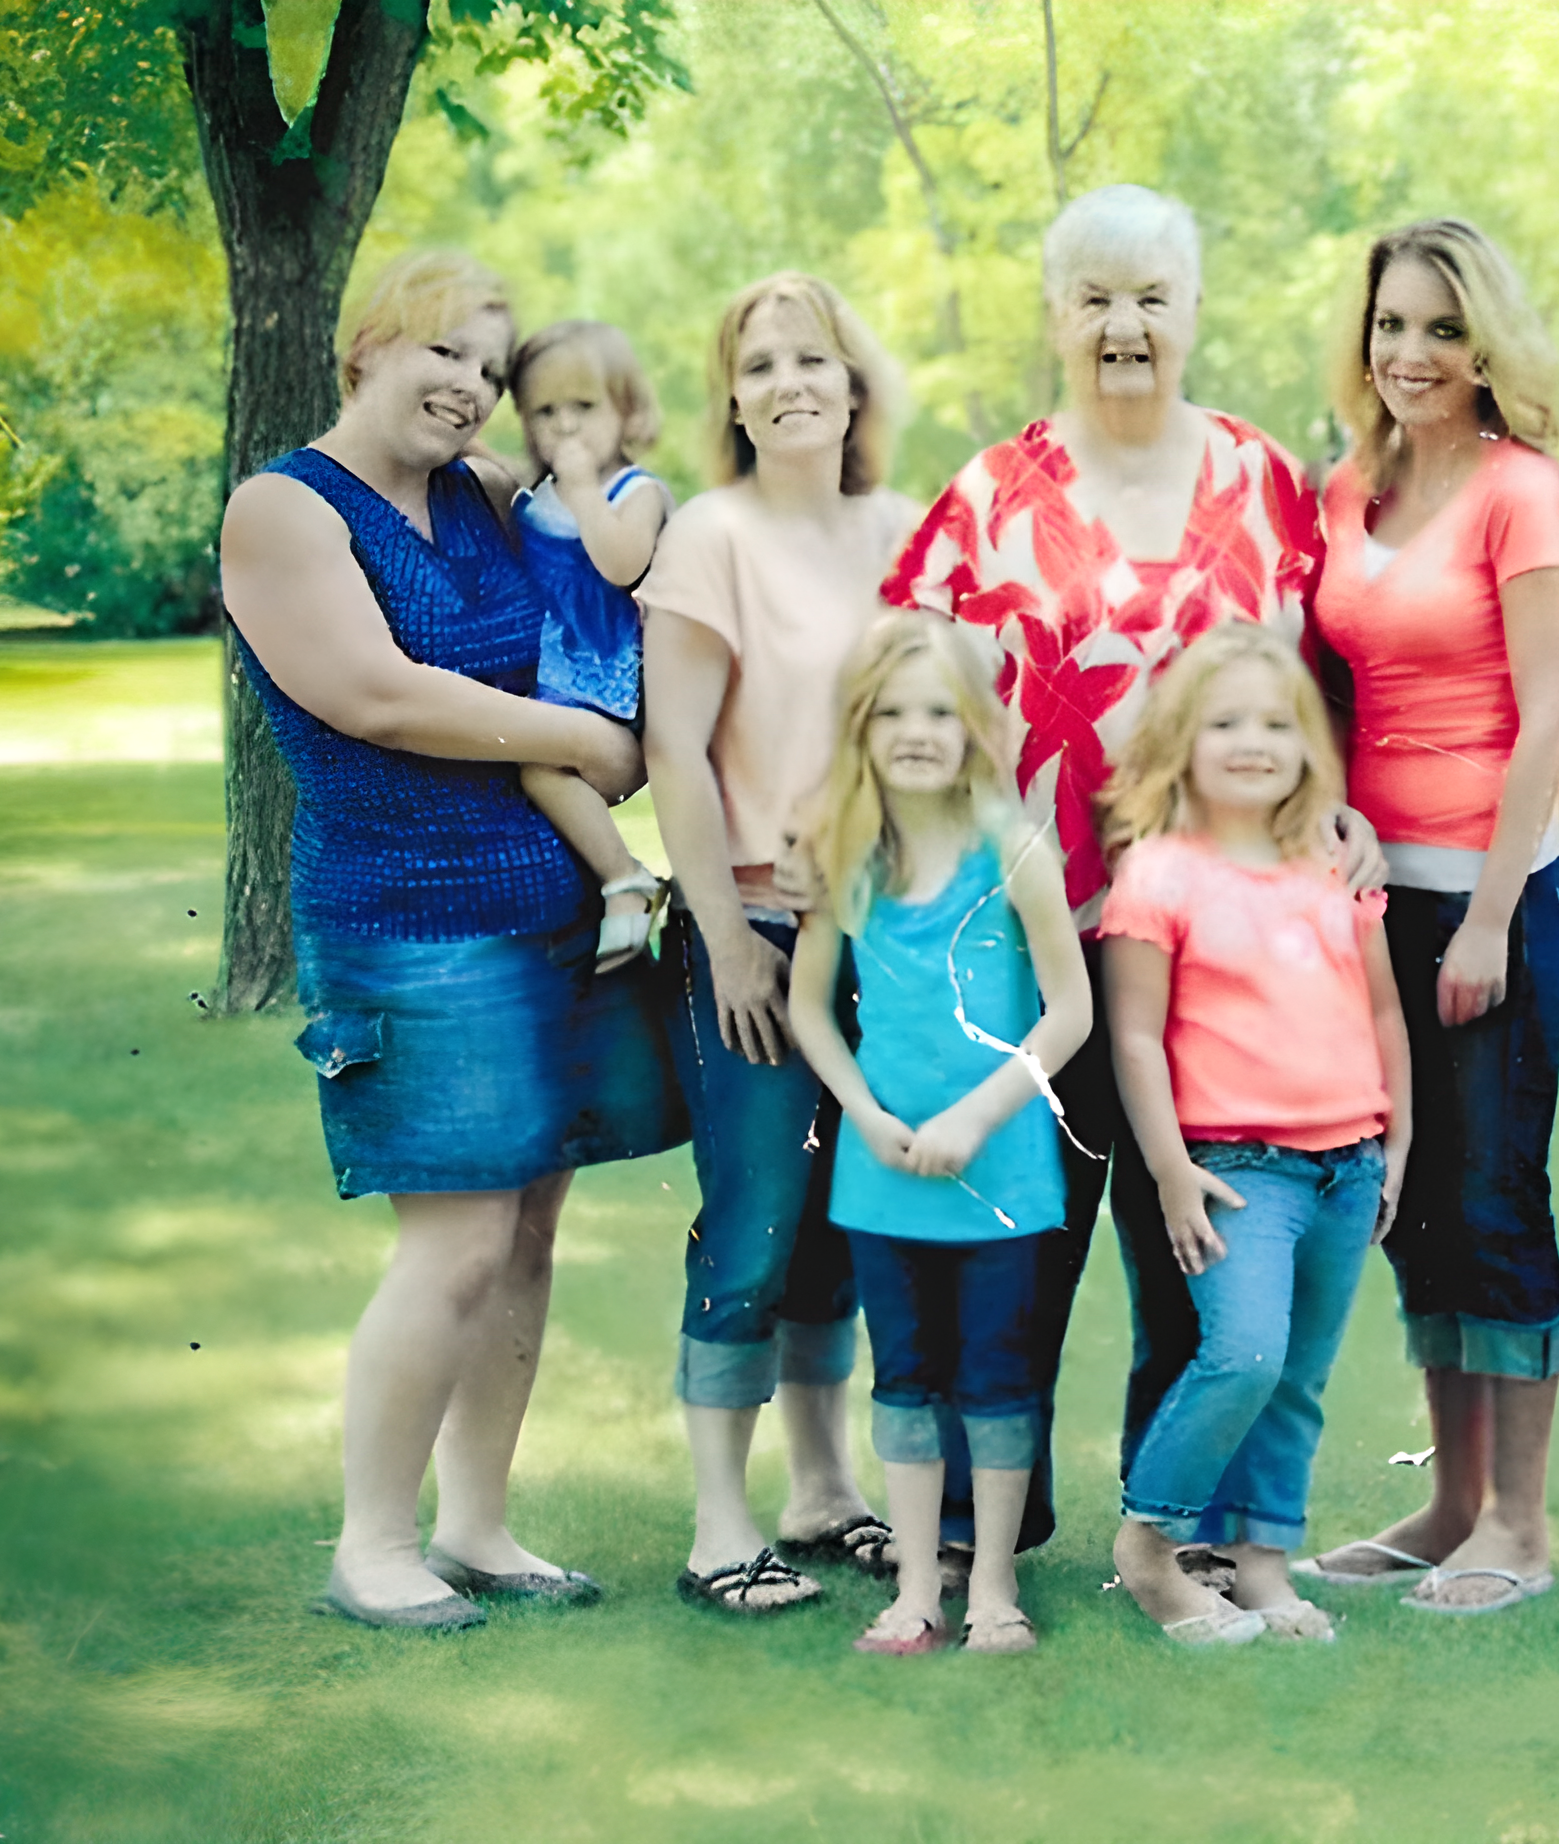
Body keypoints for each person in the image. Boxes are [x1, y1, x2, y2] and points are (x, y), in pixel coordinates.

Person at [883, 183, 1372, 1562]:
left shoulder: (1270, 485)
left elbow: (1326, 691)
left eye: (1152, 296)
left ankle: (1189, 1523)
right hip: (1023, 943)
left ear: (1196, 313)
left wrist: (1344, 818)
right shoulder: (988, 497)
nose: (1124, 325)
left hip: (1219, 956)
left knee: (1195, 1249)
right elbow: (906, 694)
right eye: (1096, 297)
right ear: (1056, 317)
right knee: (1024, 1243)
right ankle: (996, 1526)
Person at [216, 251, 684, 1628]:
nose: (472, 389)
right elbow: (376, 696)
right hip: (411, 929)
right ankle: (373, 1546)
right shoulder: (283, 510)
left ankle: (477, 1525)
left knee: (531, 1233)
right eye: (446, 356)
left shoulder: (487, 496)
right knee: (459, 1242)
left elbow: (604, 583)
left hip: (556, 914)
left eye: (491, 367)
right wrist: (592, 742)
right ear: (367, 349)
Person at [1301, 219, 1559, 1615]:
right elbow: (1333, 689)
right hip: (1371, 901)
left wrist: (1486, 914)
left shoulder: (1521, 489)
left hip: (1498, 898)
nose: (1411, 354)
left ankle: (1519, 1530)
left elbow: (1553, 714)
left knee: (1493, 1194)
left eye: (1441, 330)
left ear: (1487, 349)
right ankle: (1450, 1505)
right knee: (1413, 1208)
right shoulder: (1348, 488)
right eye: (1391, 326)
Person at [638, 275, 922, 1612]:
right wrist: (725, 939)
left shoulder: (910, 535)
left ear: (856, 384)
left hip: (887, 931)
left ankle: (825, 1495)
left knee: (842, 1238)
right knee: (753, 1225)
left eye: (814, 357)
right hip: (748, 923)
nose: (790, 381)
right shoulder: (711, 536)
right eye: (760, 365)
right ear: (734, 399)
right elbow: (676, 751)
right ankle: (716, 1529)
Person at [1099, 626, 1413, 1645]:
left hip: (1348, 1163)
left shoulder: (1332, 865)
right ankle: (1151, 1543)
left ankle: (1263, 1563)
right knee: (1241, 1352)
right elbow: (1137, 1037)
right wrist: (1170, 1172)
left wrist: (1394, 1142)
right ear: (1182, 740)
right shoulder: (1158, 873)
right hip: (1237, 1168)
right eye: (1226, 722)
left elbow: (1381, 1016)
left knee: (1296, 1377)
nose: (1253, 742)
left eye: (1276, 723)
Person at [785, 614, 1092, 1656]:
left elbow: (1070, 1010)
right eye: (893, 711)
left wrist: (977, 1113)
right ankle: (917, 1585)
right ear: (862, 726)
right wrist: (864, 1114)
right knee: (906, 1375)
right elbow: (810, 1009)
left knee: (1000, 1377)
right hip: (882, 1174)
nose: (917, 731)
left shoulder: (1013, 847)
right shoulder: (849, 853)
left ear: (976, 726)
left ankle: (994, 1583)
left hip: (999, 1167)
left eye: (939, 711)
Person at [506, 319, 675, 973]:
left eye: (584, 407)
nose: (565, 428)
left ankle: (624, 878)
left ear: (626, 410)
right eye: (546, 412)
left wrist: (581, 494)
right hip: (557, 671)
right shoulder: (532, 498)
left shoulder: (636, 492)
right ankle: (612, 881)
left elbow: (621, 564)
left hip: (611, 675)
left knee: (539, 768)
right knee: (533, 767)